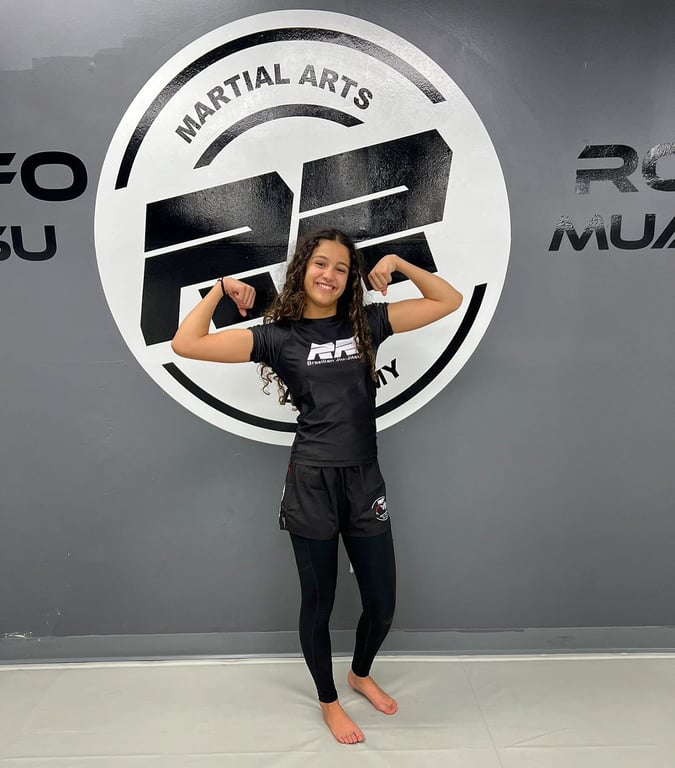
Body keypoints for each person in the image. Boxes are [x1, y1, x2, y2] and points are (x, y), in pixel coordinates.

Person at [171, 228, 462, 744]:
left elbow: (448, 300)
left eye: (341, 268)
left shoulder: (369, 323)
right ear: (303, 269)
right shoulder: (277, 337)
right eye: (320, 263)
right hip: (311, 482)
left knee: (383, 603)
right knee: (319, 602)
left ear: (350, 279)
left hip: (364, 479)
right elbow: (186, 343)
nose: (329, 274)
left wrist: (398, 263)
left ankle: (360, 674)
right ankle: (329, 700)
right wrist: (219, 289)